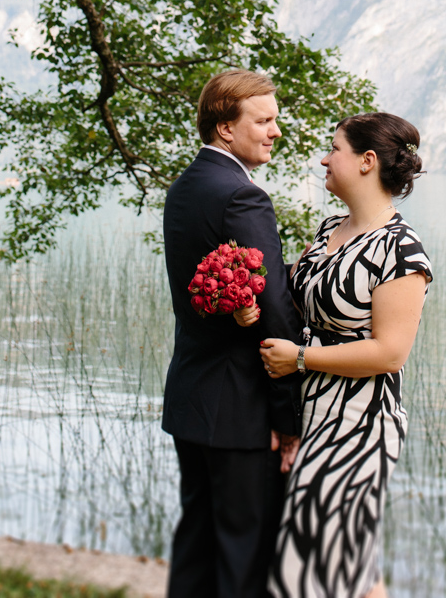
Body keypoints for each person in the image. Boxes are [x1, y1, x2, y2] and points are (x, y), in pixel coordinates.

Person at [254, 112, 432, 598]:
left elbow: (390, 353)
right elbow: (292, 296)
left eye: (334, 148)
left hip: (359, 423)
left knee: (307, 570)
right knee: (350, 565)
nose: (324, 158)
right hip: (312, 413)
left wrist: (300, 359)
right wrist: (240, 283)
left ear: (366, 161)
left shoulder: (401, 250)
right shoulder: (331, 227)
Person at [162, 69, 302, 598]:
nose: (275, 131)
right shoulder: (243, 198)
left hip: (192, 399)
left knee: (197, 549)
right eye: (263, 121)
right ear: (225, 127)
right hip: (242, 411)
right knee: (244, 562)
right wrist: (288, 416)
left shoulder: (185, 188)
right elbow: (275, 314)